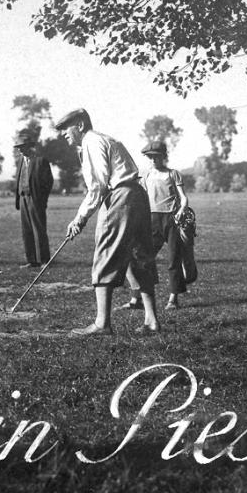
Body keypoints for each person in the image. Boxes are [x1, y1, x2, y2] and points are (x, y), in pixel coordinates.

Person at [55, 108, 160, 336]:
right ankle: (152, 321)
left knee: (106, 253)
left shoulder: (91, 142)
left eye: (66, 128)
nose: (63, 134)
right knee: (139, 256)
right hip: (137, 195)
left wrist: (80, 218)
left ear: (80, 125)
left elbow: (97, 186)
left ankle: (102, 324)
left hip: (121, 196)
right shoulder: (103, 139)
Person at [121, 140, 191, 310]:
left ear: (164, 156)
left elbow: (183, 198)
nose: (153, 160)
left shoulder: (173, 174)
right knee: (142, 257)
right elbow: (140, 196)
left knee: (174, 259)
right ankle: (137, 298)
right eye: (150, 157)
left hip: (172, 220)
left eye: (157, 156)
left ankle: (173, 299)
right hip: (151, 220)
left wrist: (182, 209)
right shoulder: (145, 175)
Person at [14, 130, 54, 268]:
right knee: (27, 230)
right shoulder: (20, 161)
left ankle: (44, 260)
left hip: (36, 200)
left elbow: (48, 182)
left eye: (22, 147)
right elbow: (19, 179)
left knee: (39, 230)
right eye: (18, 147)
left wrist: (42, 200)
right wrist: (18, 197)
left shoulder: (40, 161)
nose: (20, 150)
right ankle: (32, 260)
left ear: (29, 146)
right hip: (23, 199)